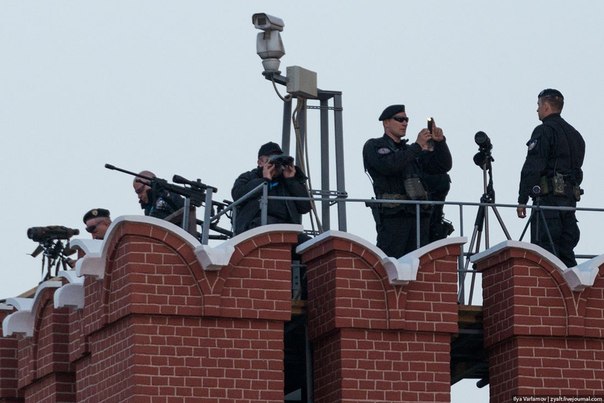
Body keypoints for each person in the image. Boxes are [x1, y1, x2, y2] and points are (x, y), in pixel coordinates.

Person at [363, 104, 452, 258]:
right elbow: (390, 166)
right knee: (392, 263)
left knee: (421, 264)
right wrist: (417, 146)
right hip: (394, 218)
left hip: (419, 217)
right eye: (399, 119)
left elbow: (442, 166)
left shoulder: (411, 151)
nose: (404, 123)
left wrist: (440, 142)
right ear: (386, 122)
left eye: (406, 120)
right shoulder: (374, 145)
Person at [517, 89, 585, 267]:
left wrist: (522, 199)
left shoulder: (544, 131)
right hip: (569, 203)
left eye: (538, 105)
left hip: (548, 203)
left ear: (546, 106)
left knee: (545, 256)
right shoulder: (576, 136)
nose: (537, 109)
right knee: (566, 254)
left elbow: (533, 166)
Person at [231, 142, 312, 236]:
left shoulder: (285, 180)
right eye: (270, 160)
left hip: (287, 228)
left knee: (310, 243)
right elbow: (237, 195)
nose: (275, 165)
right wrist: (265, 180)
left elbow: (305, 207)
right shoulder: (248, 177)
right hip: (256, 225)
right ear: (260, 162)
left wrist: (291, 180)